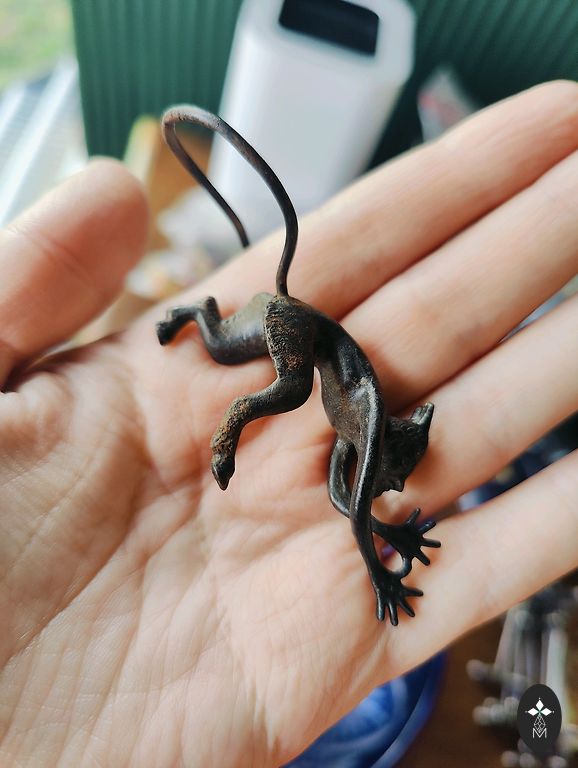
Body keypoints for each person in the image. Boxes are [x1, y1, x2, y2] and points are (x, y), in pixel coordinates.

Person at [0, 81, 576, 767]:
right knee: (290, 388)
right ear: (392, 446)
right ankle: (230, 430)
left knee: (221, 346)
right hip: (294, 327)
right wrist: (381, 571)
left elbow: (343, 502)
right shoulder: (368, 437)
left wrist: (391, 531)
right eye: (396, 473)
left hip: (291, 321)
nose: (393, 483)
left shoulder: (357, 446)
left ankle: (194, 314)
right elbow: (356, 514)